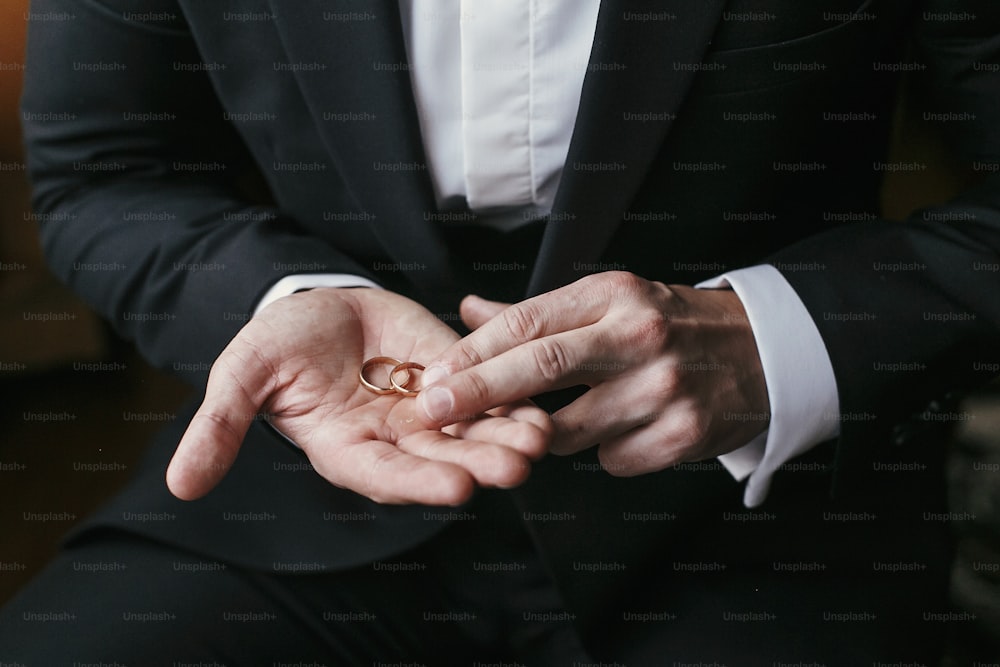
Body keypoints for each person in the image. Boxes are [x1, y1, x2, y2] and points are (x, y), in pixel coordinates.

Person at [3, 0, 998, 663]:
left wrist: (778, 338)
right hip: (305, 485)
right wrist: (278, 301)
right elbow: (107, 167)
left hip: (762, 516)